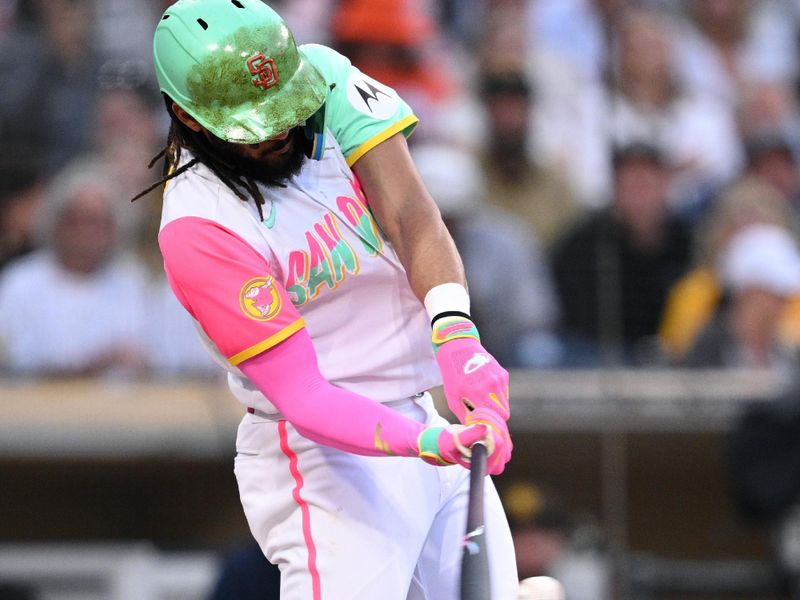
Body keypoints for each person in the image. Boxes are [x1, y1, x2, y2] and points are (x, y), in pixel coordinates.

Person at [137, 1, 516, 598]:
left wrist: (455, 333)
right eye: (257, 125)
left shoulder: (325, 77)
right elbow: (305, 397)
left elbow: (412, 214)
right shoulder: (199, 227)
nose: (282, 128)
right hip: (321, 457)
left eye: (283, 107)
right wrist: (426, 445)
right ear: (189, 117)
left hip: (418, 411)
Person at [550, 141, 692, 366]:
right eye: (630, 185)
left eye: (646, 184)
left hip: (670, 354)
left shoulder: (686, 239)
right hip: (595, 354)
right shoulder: (584, 242)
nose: (639, 197)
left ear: (664, 184)